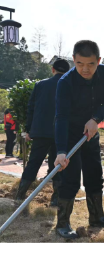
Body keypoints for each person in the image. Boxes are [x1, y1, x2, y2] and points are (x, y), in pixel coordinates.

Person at [54, 40, 104, 239]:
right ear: (73, 60)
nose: (85, 69)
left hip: (91, 131)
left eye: (90, 64)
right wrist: (61, 151)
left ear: (98, 61)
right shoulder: (65, 82)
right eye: (80, 63)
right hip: (72, 134)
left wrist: (95, 120)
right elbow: (61, 117)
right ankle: (62, 223)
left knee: (94, 174)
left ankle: (97, 216)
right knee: (71, 179)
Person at [15, 58, 70, 207]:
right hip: (61, 133)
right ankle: (55, 199)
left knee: (33, 163)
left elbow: (31, 108)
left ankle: (20, 195)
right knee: (58, 165)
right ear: (69, 71)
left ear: (52, 69)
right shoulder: (70, 86)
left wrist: (29, 130)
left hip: (40, 131)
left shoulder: (40, 85)